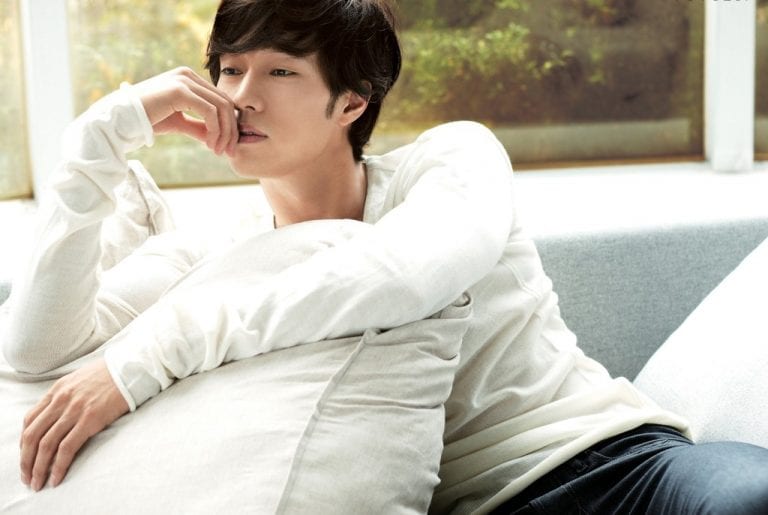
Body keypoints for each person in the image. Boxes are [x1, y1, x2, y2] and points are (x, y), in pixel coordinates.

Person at [3, 0, 768, 513]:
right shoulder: (216, 247)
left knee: (746, 497)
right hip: (468, 506)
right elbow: (38, 348)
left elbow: (400, 275)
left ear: (352, 101)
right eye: (230, 69)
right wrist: (99, 138)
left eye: (279, 71)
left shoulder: (452, 161)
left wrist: (143, 360)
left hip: (615, 465)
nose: (241, 96)